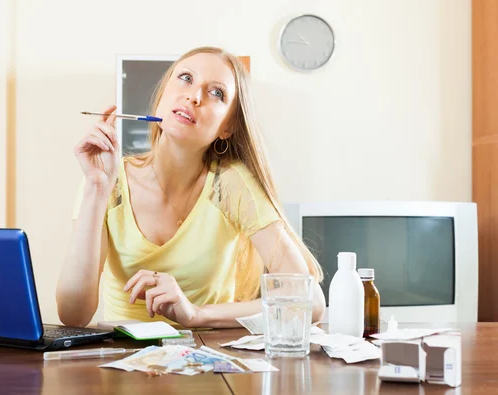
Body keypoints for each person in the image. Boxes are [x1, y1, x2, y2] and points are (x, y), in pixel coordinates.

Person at [56, 46, 326, 328]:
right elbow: (73, 315)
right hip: (122, 361)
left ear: (227, 127)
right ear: (161, 97)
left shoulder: (231, 185)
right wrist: (96, 189)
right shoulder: (105, 178)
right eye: (186, 78)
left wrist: (196, 314)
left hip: (206, 360)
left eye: (217, 93)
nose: (194, 96)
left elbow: (312, 301)